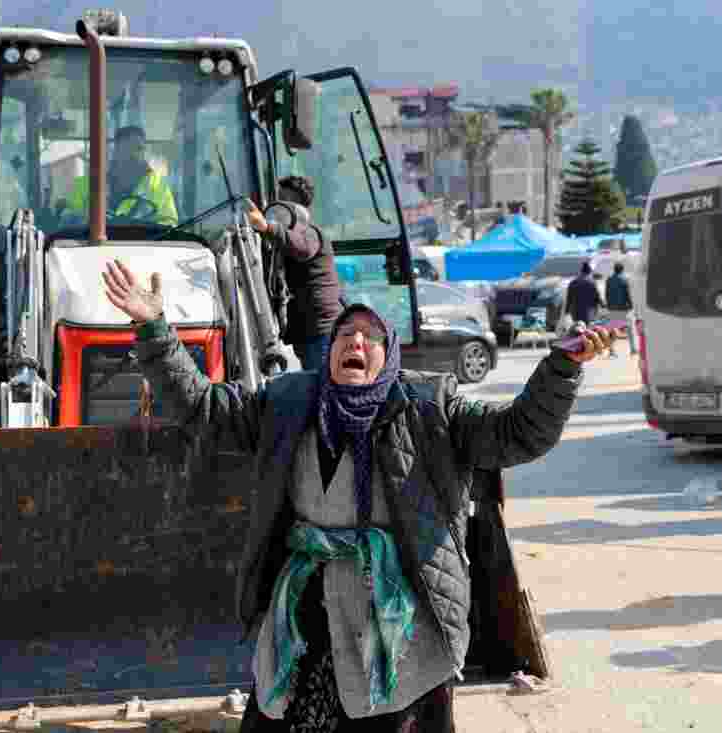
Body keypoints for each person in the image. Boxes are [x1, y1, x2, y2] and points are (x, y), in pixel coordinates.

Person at [101, 259, 613, 733]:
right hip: (305, 610)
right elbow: (204, 409)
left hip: (401, 622)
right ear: (331, 351)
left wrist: (560, 371)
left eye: (371, 338)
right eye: (348, 334)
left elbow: (518, 433)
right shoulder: (290, 401)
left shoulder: (428, 406)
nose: (358, 343)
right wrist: (154, 330)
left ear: (388, 356)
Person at [246, 176, 343, 371]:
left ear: (298, 208)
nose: (278, 207)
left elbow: (302, 248)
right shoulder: (290, 237)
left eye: (284, 201)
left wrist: (266, 226)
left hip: (321, 332)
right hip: (308, 332)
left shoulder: (311, 234)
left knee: (323, 388)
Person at [63, 125, 178, 227]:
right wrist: (84, 220)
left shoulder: (158, 186)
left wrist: (146, 229)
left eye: (139, 149)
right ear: (116, 151)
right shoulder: (86, 184)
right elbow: (67, 220)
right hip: (95, 247)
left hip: (144, 247)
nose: (134, 155)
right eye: (127, 149)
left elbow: (169, 224)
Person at [604, 261, 636, 358]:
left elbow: (607, 294)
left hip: (612, 309)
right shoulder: (624, 280)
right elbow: (627, 294)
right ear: (622, 270)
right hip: (623, 309)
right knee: (630, 329)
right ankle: (632, 349)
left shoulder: (609, 280)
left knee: (612, 330)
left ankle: (611, 350)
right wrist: (631, 306)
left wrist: (608, 305)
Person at [565, 260, 604, 327]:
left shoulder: (573, 282)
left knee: (577, 328)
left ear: (581, 271)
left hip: (575, 310)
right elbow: (597, 296)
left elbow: (569, 298)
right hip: (587, 311)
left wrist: (567, 310)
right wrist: (602, 304)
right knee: (586, 328)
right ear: (589, 272)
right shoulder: (592, 282)